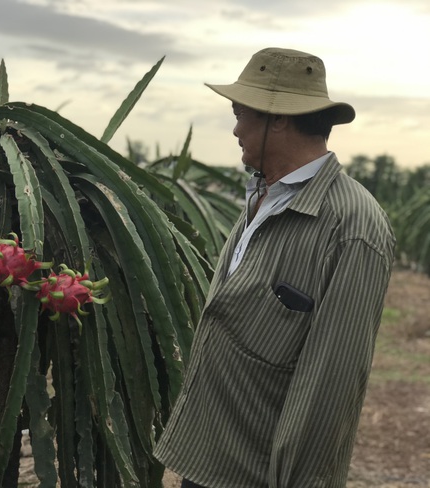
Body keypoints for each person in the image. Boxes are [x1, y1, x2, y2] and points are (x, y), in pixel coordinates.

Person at [153, 47, 396, 487]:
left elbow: (332, 383)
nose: (235, 128)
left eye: (240, 113)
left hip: (261, 474)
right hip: (211, 459)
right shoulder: (263, 197)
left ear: (278, 118)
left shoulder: (352, 225)